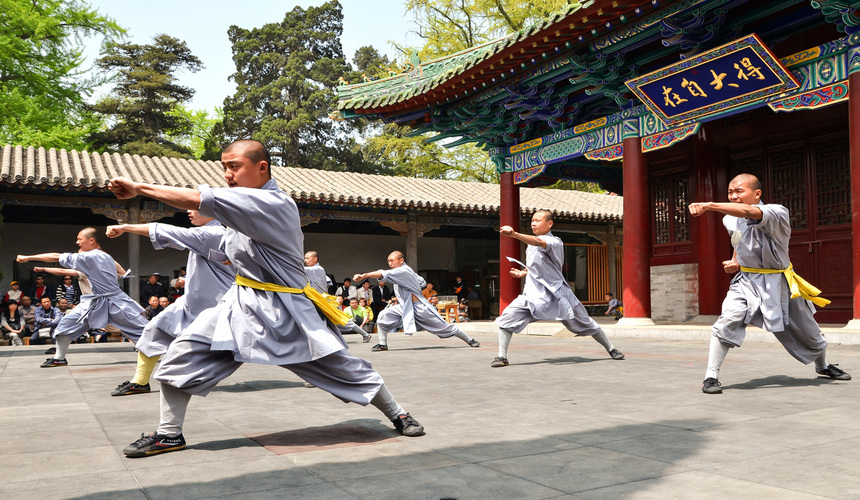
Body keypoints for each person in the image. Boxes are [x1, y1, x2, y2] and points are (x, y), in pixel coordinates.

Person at [108, 139, 423, 458]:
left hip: (284, 311)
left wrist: (138, 187)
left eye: (234, 166)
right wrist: (130, 227)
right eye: (224, 168)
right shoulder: (236, 217)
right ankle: (168, 434)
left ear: (262, 168)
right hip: (238, 305)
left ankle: (398, 413)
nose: (227, 174)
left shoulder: (274, 203)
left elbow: (198, 198)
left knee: (344, 368)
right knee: (180, 354)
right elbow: (194, 236)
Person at [689, 173, 850, 394]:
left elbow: (749, 212)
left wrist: (709, 205)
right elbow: (737, 238)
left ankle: (822, 366)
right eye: (730, 192)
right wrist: (735, 260)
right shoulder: (728, 218)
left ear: (757, 194)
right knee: (728, 319)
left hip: (779, 280)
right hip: (746, 281)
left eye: (739, 191)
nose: (733, 196)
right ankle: (710, 376)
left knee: (808, 330)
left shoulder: (777, 212)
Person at [105, 209, 234, 397]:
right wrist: (188, 279)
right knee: (154, 330)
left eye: (196, 208)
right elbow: (215, 268)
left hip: (214, 308)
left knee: (225, 350)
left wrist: (125, 227)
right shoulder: (211, 234)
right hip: (193, 303)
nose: (189, 212)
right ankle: (140, 381)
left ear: (213, 212)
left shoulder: (212, 234)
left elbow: (168, 231)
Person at [493, 210, 624, 368]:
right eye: (532, 220)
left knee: (586, 322)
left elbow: (538, 242)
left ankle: (611, 349)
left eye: (538, 220)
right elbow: (537, 266)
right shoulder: (531, 245)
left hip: (558, 294)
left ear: (549, 224)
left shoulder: (555, 241)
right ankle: (502, 356)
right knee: (507, 317)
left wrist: (514, 234)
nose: (533, 223)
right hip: (533, 295)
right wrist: (523, 272)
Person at [17, 228, 150, 368]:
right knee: (65, 325)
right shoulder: (106, 257)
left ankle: (168, 353)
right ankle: (59, 358)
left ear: (91, 240)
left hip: (113, 302)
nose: (77, 242)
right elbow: (122, 273)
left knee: (143, 330)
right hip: (92, 303)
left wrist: (28, 258)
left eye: (80, 239)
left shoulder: (90, 257)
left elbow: (57, 257)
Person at [354, 251, 481, 351]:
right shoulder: (404, 272)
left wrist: (364, 275)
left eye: (392, 260)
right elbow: (422, 282)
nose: (390, 263)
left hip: (418, 307)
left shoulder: (403, 270)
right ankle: (382, 344)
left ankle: (469, 339)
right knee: (383, 316)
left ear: (401, 260)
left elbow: (383, 273)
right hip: (404, 306)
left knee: (443, 327)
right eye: (388, 261)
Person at [304, 251, 371, 342]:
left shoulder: (318, 269)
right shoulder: (312, 271)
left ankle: (365, 334)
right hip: (316, 300)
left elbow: (300, 269)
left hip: (323, 301)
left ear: (315, 259)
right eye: (305, 258)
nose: (305, 260)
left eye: (307, 258)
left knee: (340, 319)